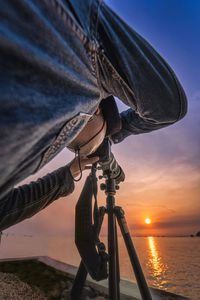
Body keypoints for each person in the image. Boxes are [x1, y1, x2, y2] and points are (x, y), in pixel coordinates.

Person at [0, 0, 187, 231]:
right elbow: (170, 106)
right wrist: (119, 131)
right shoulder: (76, 56)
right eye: (103, 135)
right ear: (97, 108)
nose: (74, 146)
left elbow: (5, 209)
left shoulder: (34, 142)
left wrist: (68, 173)